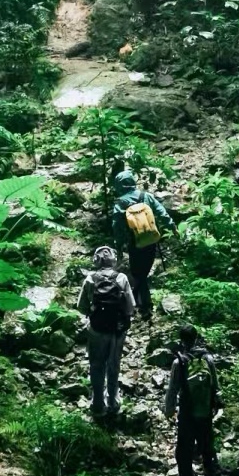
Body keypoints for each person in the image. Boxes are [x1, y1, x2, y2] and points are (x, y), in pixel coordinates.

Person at [76, 246, 136, 418]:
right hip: (117, 331)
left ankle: (97, 404)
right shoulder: (122, 278)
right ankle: (113, 402)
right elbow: (130, 307)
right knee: (113, 364)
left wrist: (93, 312)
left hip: (97, 329)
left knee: (96, 365)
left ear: (96, 261)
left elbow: (81, 307)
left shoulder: (90, 278)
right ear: (113, 261)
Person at [164, 322, 221, 476]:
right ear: (196, 338)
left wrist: (169, 410)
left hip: (187, 411)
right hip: (205, 410)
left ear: (181, 340)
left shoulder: (179, 362)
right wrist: (216, 404)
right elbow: (215, 385)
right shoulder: (207, 358)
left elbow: (172, 390)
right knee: (207, 445)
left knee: (184, 450)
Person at [111, 169, 175, 320]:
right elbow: (161, 212)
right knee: (143, 272)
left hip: (135, 242)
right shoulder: (146, 196)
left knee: (137, 273)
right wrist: (172, 226)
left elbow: (117, 227)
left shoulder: (120, 203)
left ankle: (142, 305)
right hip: (152, 239)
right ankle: (141, 302)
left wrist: (119, 245)